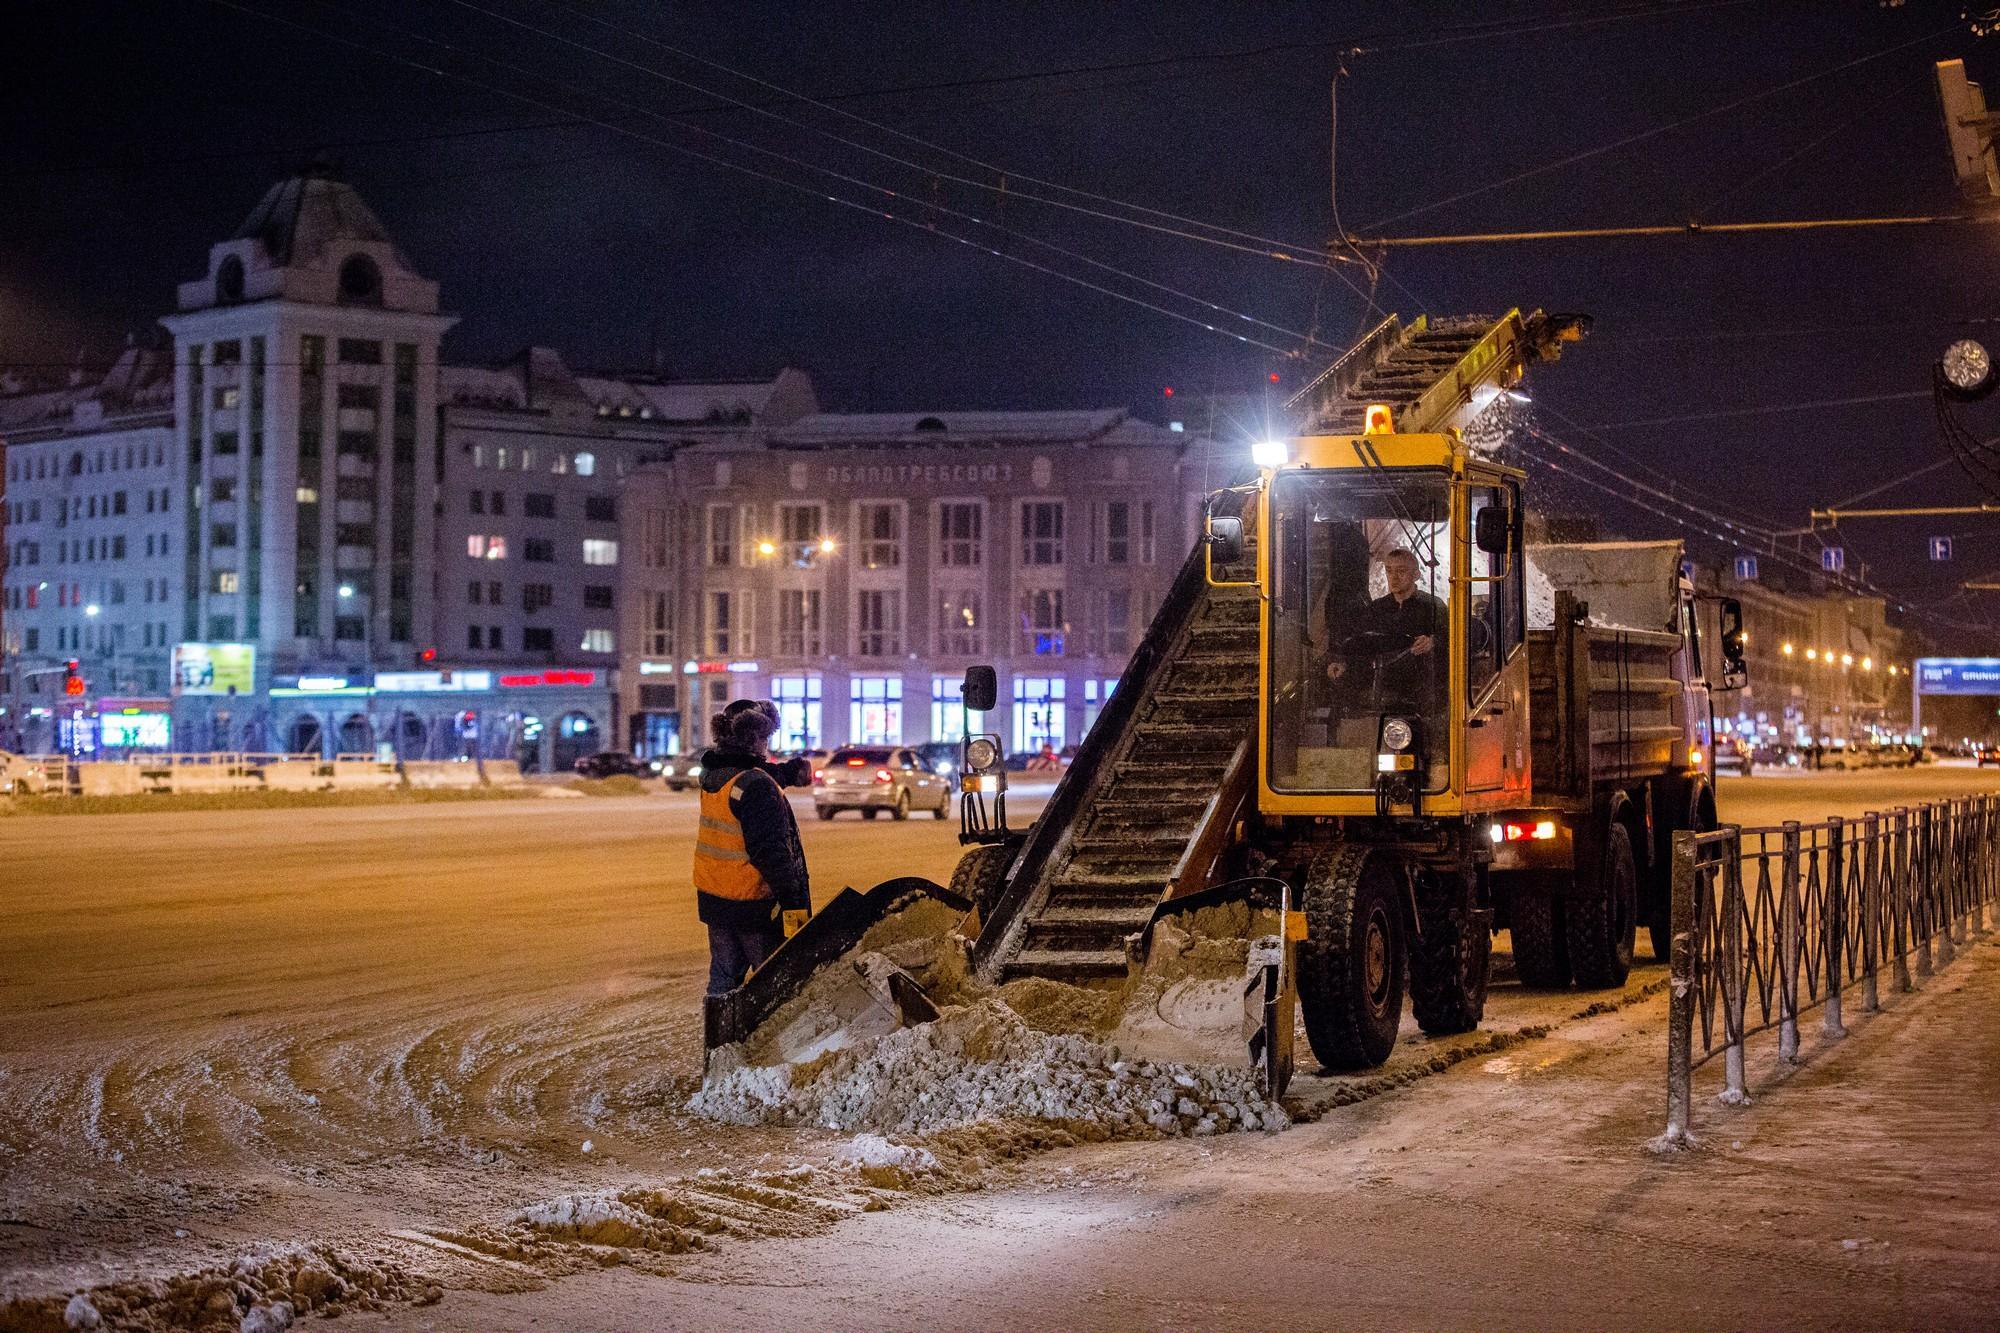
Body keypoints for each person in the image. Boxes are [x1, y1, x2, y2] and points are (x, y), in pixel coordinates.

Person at [694, 699, 811, 998]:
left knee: (723, 979)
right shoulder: (756, 786)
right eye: (764, 737)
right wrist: (793, 901)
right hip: (752, 904)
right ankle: (775, 1041)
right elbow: (769, 851)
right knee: (774, 982)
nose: (766, 744)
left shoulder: (713, 776)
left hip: (715, 898)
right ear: (751, 738)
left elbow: (748, 775)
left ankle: (719, 1039)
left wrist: (788, 772)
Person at [1325, 547, 1447, 715]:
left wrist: (1432, 642)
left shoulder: (1433, 606)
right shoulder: (1376, 608)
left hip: (1421, 695)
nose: (1394, 578)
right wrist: (1343, 664)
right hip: (1381, 691)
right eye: (1389, 571)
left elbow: (1451, 640)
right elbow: (1360, 644)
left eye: (1401, 571)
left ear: (1416, 575)